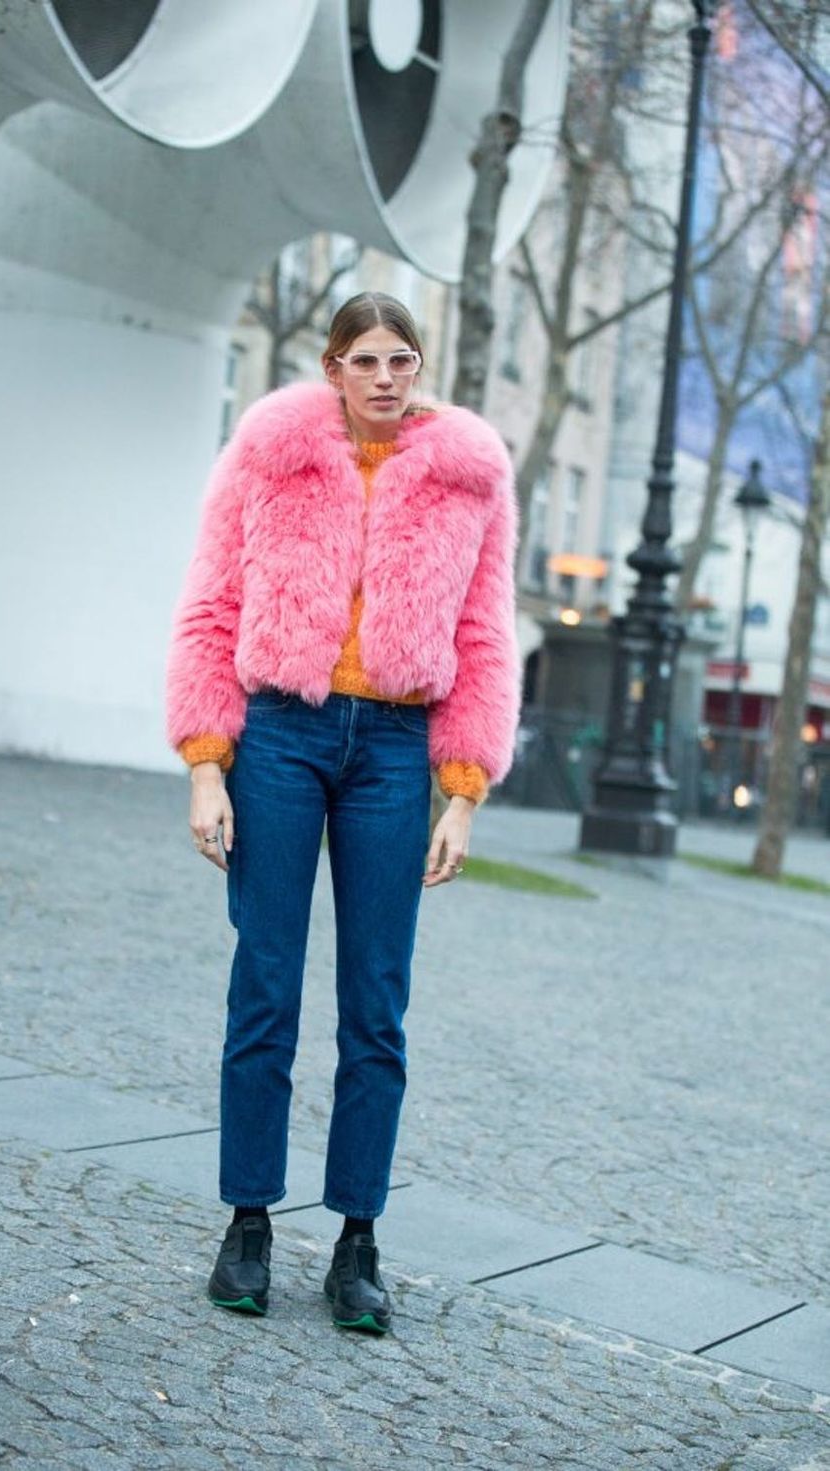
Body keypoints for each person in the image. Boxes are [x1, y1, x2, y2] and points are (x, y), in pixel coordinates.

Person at [165, 292, 520, 1333]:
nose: (381, 375)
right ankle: (247, 1224)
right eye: (362, 358)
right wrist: (203, 762)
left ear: (418, 367)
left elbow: (484, 633)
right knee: (264, 987)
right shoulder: (268, 456)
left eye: (399, 358)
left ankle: (357, 1241)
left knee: (375, 1006)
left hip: (398, 752)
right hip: (278, 736)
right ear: (330, 365)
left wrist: (463, 791)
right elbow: (210, 605)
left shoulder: (467, 478)